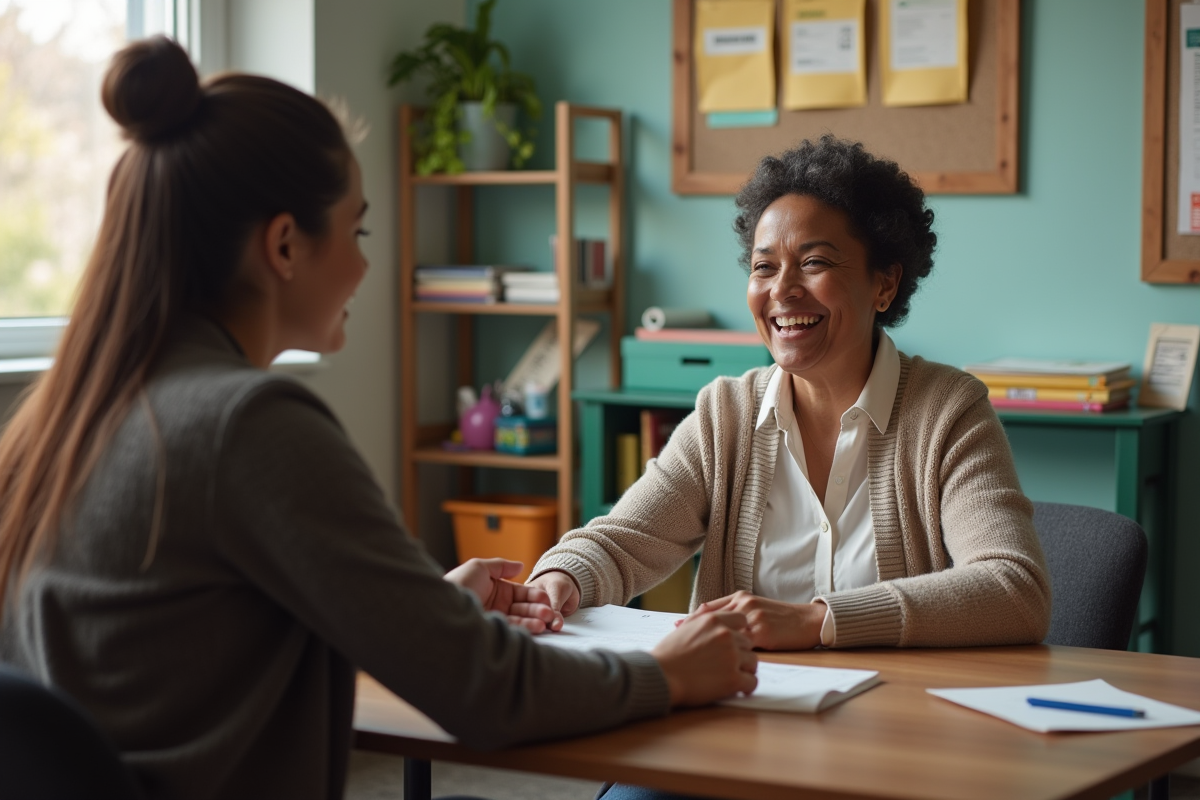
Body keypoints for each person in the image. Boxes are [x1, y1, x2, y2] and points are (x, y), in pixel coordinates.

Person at [0, 37, 758, 800]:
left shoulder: (67, 417)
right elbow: (489, 695)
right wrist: (665, 673)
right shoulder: (249, 423)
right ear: (286, 244)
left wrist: (428, 610)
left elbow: (196, 655)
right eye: (358, 230)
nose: (366, 265)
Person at [529, 135, 1051, 653]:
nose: (782, 290)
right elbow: (622, 542)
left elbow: (1014, 589)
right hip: (746, 711)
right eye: (764, 266)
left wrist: (817, 621)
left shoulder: (949, 411)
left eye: (814, 262)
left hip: (899, 720)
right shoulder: (726, 415)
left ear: (884, 284)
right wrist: (560, 581)